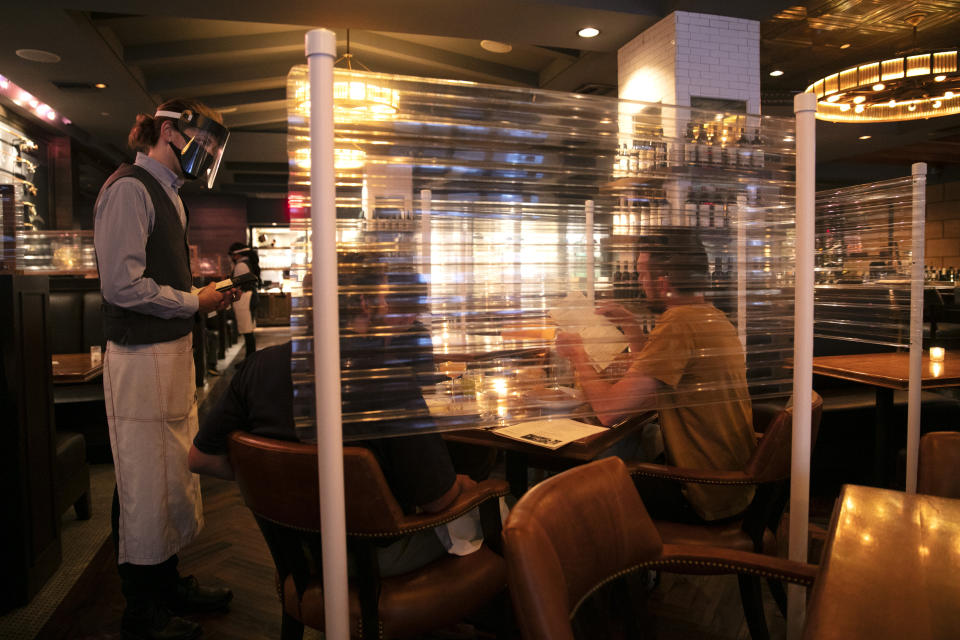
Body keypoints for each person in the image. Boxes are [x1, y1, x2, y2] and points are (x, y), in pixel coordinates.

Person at [188, 259, 481, 575]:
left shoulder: (258, 367)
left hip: (300, 558)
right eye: (384, 295)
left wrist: (280, 479)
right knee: (508, 515)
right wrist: (466, 484)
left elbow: (200, 459)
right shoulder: (388, 380)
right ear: (365, 303)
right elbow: (439, 502)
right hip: (373, 560)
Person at [94, 98, 235, 640]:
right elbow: (121, 287)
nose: (205, 154)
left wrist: (199, 301)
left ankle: (168, 581)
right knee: (142, 480)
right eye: (203, 142)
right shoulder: (129, 188)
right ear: (171, 131)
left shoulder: (171, 196)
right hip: (137, 359)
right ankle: (141, 609)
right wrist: (191, 302)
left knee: (173, 474)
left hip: (170, 355)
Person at [556, 230, 755, 523]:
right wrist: (632, 327)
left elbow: (610, 412)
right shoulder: (710, 315)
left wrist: (578, 356)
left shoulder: (678, 323)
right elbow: (651, 388)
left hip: (704, 492)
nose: (638, 282)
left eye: (641, 274)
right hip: (731, 482)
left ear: (662, 282)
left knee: (570, 493)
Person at [227, 242, 258, 358]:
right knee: (248, 330)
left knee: (247, 331)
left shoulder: (241, 265)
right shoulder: (247, 263)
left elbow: (237, 283)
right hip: (248, 297)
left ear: (237, 255)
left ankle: (250, 359)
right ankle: (250, 357)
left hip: (245, 298)